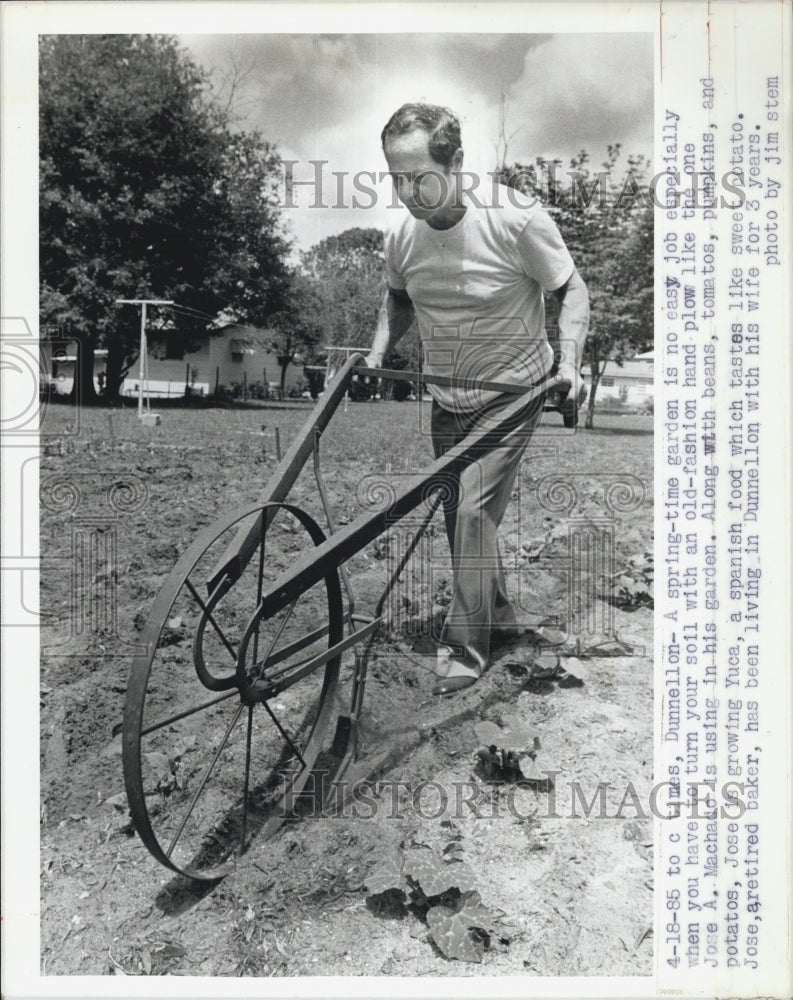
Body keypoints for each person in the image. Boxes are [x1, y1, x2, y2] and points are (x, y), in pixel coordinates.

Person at [364, 103, 589, 695]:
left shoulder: (514, 219)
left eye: (420, 177)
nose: (407, 193)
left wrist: (569, 364)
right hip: (447, 397)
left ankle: (465, 647)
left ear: (457, 162)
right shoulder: (402, 237)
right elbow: (399, 298)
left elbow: (571, 289)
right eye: (396, 179)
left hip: (512, 392)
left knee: (470, 513)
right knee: (459, 519)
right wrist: (377, 351)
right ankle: (502, 616)